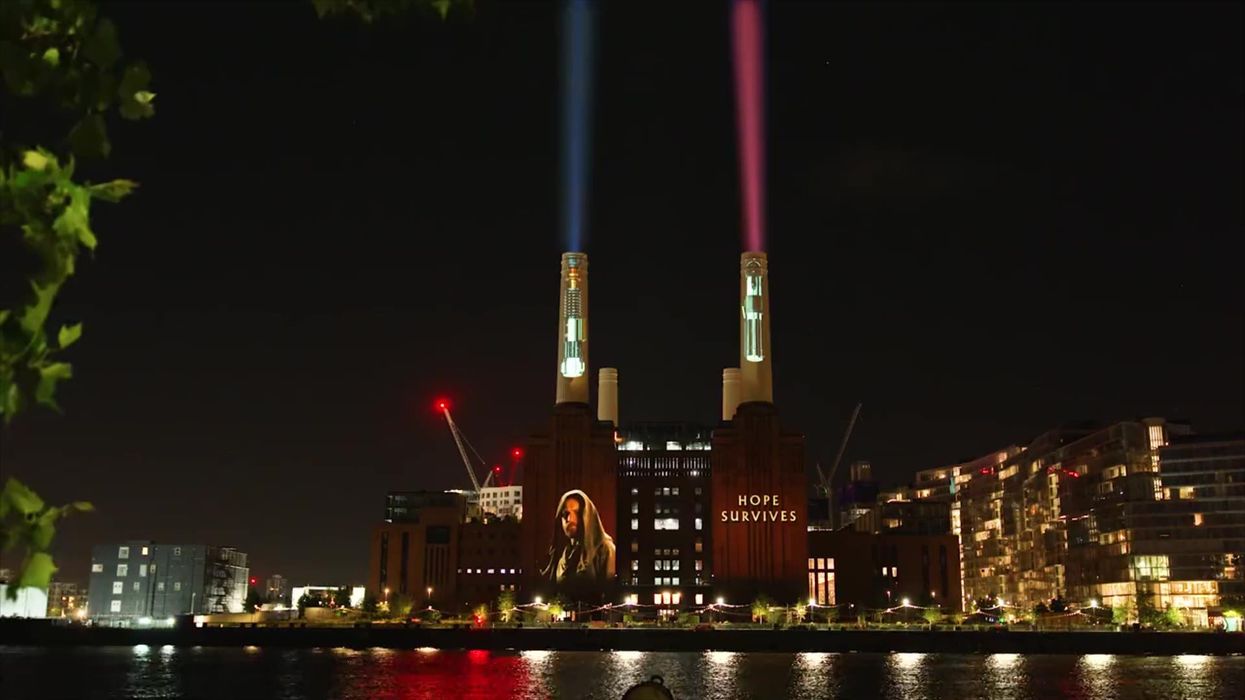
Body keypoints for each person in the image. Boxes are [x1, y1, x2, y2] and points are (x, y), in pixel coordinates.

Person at [540, 489, 616, 587]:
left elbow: (611, 592)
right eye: (565, 514)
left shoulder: (605, 549)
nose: (569, 519)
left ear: (587, 515)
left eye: (576, 512)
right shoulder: (562, 552)